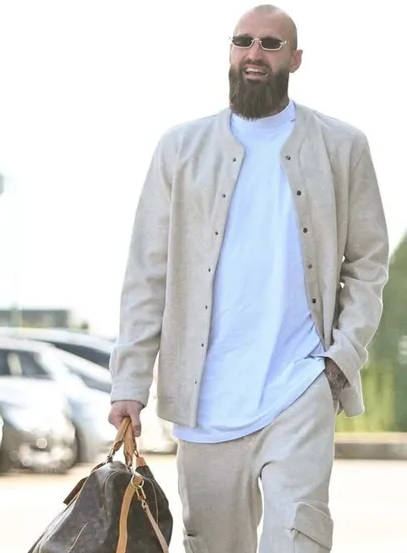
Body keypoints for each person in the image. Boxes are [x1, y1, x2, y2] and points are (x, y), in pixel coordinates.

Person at [107, 5, 389, 552]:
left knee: (300, 540)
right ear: (231, 52)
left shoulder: (342, 147)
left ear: (296, 59)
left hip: (300, 386)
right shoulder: (180, 148)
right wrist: (129, 383)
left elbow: (368, 262)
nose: (254, 54)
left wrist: (340, 358)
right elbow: (147, 275)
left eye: (270, 44)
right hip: (204, 403)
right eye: (243, 42)